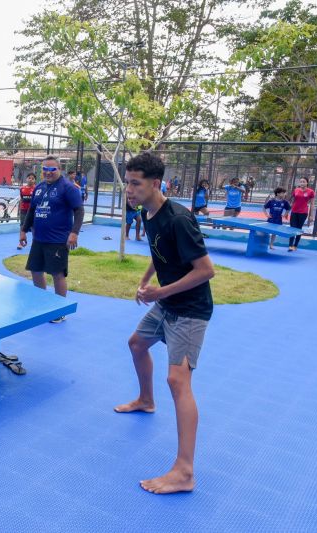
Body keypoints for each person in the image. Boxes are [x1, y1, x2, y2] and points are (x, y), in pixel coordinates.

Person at [114, 151, 215, 495]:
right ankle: (146, 400)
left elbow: (205, 271)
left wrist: (160, 293)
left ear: (155, 183)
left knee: (178, 380)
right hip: (166, 301)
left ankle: (185, 471)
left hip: (189, 309)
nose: (128, 189)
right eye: (127, 182)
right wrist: (145, 282)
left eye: (135, 183)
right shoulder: (148, 211)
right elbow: (159, 254)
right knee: (136, 344)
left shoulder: (179, 220)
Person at [19, 155, 84, 324]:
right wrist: (23, 230)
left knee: (57, 273)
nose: (48, 173)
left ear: (59, 169)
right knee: (35, 271)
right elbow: (32, 211)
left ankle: (59, 311)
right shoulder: (39, 188)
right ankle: (42, 304)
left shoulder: (68, 188)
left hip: (58, 240)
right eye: (45, 169)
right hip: (38, 239)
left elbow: (79, 210)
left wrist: (74, 232)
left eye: (52, 169)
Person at [288, 177, 314, 252]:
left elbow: (312, 204)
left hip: (303, 213)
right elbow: (292, 201)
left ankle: (295, 245)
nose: (302, 183)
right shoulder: (296, 190)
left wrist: (311, 215)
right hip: (294, 212)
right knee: (292, 228)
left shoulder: (311, 192)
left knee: (298, 229)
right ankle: (290, 245)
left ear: (307, 183)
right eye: (301, 181)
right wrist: (288, 211)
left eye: (304, 181)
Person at [17, 173, 37, 250]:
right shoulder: (22, 189)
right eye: (29, 178)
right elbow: (21, 199)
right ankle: (21, 242)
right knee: (22, 226)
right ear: (26, 179)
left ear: (35, 180)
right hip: (24, 211)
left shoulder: (36, 189)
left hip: (33, 211)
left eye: (32, 178)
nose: (31, 180)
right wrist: (20, 209)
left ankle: (34, 242)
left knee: (33, 226)